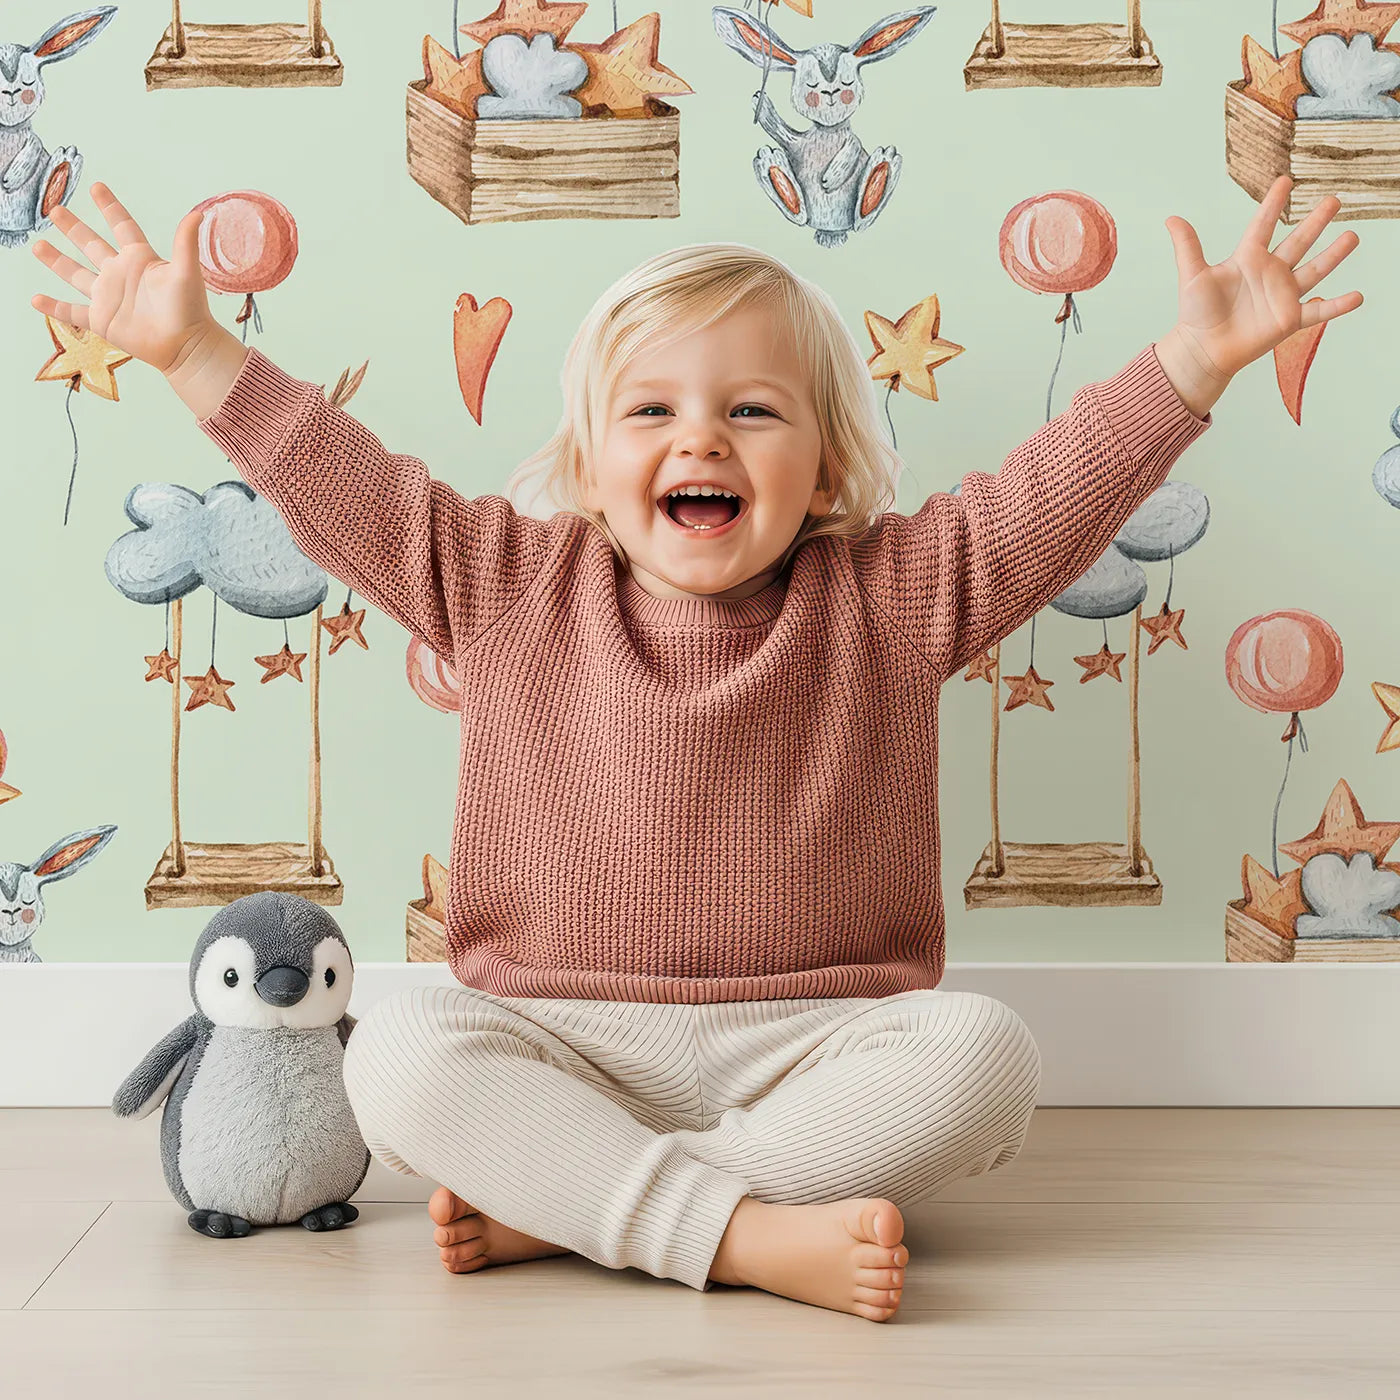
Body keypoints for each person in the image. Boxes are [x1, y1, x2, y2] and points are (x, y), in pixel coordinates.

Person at [31, 176, 1360, 1322]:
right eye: (651, 411)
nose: (701, 438)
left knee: (987, 1056)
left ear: (828, 468)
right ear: (588, 467)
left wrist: (1191, 365)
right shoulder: (501, 580)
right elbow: (344, 483)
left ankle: (583, 1212)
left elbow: (1049, 495)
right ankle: (743, 1235)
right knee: (395, 1056)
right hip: (553, 1037)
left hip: (816, 1048)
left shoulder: (895, 594)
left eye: (754, 412)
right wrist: (193, 349)